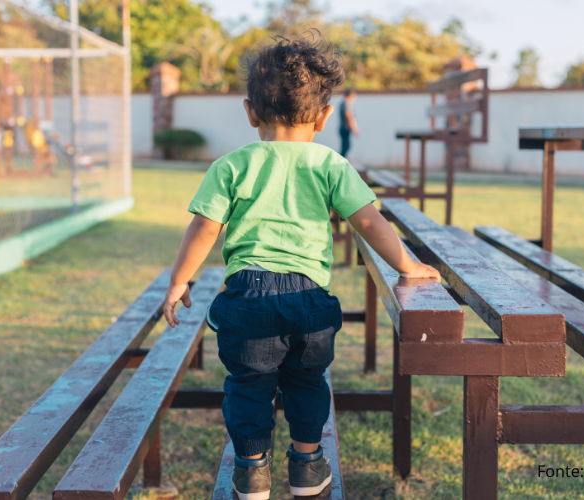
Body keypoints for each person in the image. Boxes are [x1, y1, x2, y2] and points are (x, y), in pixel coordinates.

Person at [162, 34, 439, 500]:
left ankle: (251, 471)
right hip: (309, 300)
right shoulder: (331, 164)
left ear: (250, 112)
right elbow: (369, 221)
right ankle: (307, 466)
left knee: (248, 386)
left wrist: (178, 281)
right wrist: (408, 265)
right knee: (308, 383)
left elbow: (205, 230)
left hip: (247, 299)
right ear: (325, 116)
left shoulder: (231, 166)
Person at [339, 88, 359, 158]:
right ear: (351, 95)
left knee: (345, 147)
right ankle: (341, 161)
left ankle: (342, 160)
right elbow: (349, 117)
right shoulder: (347, 104)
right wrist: (355, 129)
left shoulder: (342, 103)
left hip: (342, 128)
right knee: (346, 147)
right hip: (346, 128)